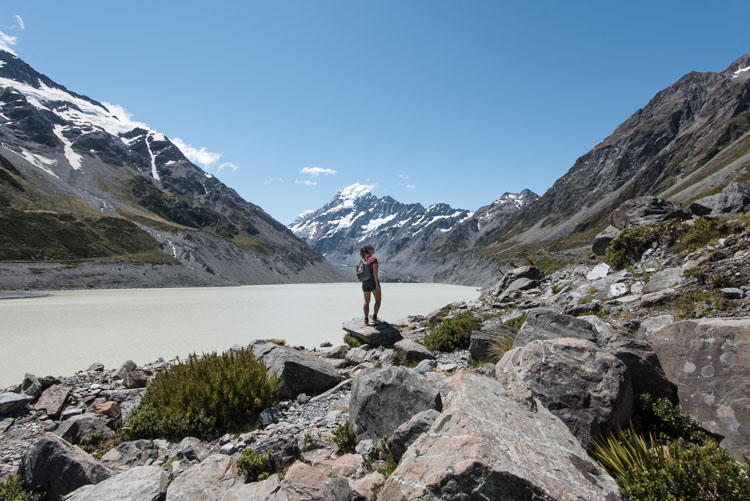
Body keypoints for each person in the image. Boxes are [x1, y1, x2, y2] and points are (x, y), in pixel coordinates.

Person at [360, 244, 381, 325]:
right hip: (373, 282)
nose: (374, 249)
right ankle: (374, 317)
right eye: (372, 248)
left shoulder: (362, 260)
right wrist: (376, 284)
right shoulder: (373, 259)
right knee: (378, 300)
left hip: (365, 282)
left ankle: (366, 319)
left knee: (366, 301)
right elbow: (375, 273)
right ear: (369, 250)